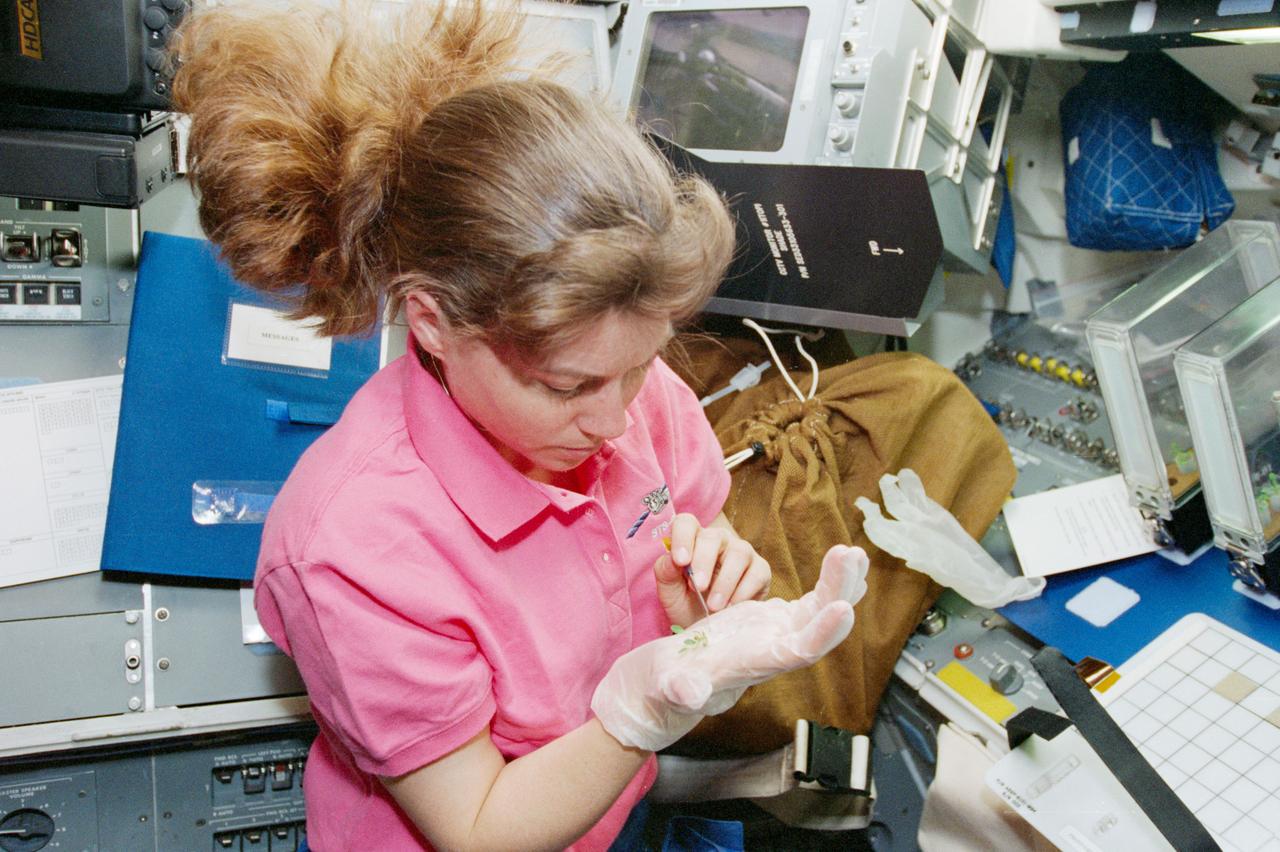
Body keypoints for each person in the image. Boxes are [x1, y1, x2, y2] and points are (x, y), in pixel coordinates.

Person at [170, 2, 868, 849]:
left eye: (642, 363)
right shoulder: (352, 550)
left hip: (608, 802)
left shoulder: (627, 389)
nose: (615, 420)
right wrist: (639, 711)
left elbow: (689, 520)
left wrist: (703, 595)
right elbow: (478, 827)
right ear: (432, 324)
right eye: (565, 384)